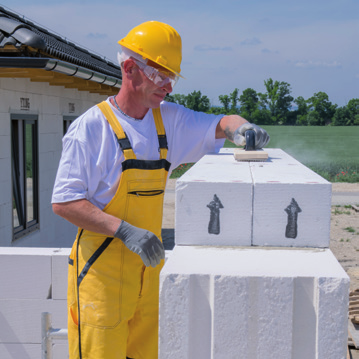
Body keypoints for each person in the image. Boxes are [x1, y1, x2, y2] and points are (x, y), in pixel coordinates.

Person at [52, 20, 269, 359]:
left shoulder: (167, 120)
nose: (168, 87)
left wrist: (241, 127)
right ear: (129, 69)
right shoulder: (91, 129)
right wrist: (124, 231)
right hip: (101, 279)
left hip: (148, 276)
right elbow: (65, 202)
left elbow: (219, 123)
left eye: (173, 77)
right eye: (160, 75)